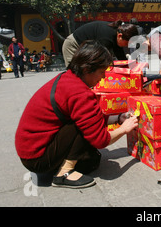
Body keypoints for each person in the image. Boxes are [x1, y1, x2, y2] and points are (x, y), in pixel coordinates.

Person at [15, 40, 139, 189]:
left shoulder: (68, 78)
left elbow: (92, 117)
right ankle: (63, 174)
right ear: (87, 69)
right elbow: (100, 140)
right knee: (83, 129)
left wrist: (118, 118)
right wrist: (124, 129)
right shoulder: (80, 93)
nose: (104, 77)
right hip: (38, 158)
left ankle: (62, 165)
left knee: (86, 130)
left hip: (31, 152)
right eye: (101, 72)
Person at [62, 21, 138, 67]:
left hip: (85, 48)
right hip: (73, 44)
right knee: (74, 71)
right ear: (120, 36)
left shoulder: (116, 36)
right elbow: (102, 60)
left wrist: (129, 67)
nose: (127, 46)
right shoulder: (106, 38)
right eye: (127, 43)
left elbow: (121, 56)